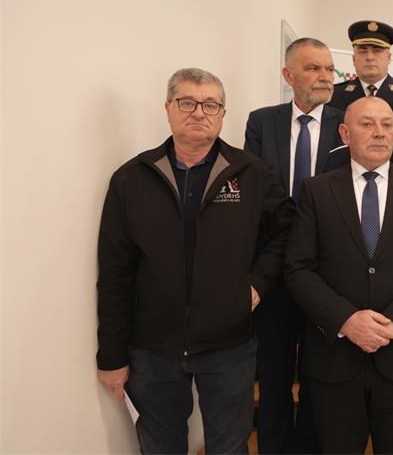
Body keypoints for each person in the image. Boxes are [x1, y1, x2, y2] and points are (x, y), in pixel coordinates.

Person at [96, 68, 294, 454]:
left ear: (223, 114)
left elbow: (287, 232)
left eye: (210, 105)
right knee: (160, 447)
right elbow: (115, 271)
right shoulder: (132, 179)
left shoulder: (252, 175)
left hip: (229, 345)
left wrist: (257, 284)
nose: (199, 112)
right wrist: (112, 355)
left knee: (229, 447)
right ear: (168, 108)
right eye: (187, 102)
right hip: (152, 349)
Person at [285, 96, 393, 454]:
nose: (379, 132)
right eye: (367, 124)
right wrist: (346, 320)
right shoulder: (316, 190)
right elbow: (297, 268)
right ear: (345, 133)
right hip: (335, 360)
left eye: (387, 124)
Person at [244, 37, 347, 453]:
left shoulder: (348, 122)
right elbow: (256, 193)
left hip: (327, 272)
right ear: (288, 75)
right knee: (273, 376)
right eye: (313, 68)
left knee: (319, 378)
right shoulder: (262, 122)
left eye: (328, 69)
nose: (325, 77)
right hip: (274, 269)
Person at [329, 20, 393, 167]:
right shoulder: (335, 95)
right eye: (363, 51)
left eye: (377, 51)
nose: (369, 57)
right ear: (354, 59)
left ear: (389, 58)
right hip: (345, 176)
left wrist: (384, 173)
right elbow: (331, 144)